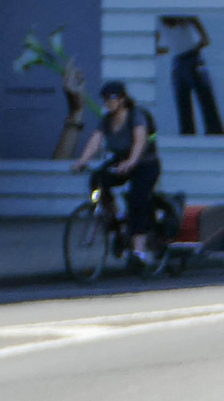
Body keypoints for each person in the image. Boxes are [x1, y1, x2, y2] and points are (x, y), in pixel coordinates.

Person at [72, 82, 164, 269]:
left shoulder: (135, 115)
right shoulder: (106, 120)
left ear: (122, 99)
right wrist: (82, 161)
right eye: (105, 99)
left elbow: (140, 141)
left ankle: (139, 252)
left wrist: (131, 162)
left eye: (112, 98)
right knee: (98, 180)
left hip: (145, 163)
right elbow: (95, 141)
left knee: (138, 201)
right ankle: (117, 221)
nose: (108, 102)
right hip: (121, 161)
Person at [156, 16, 224, 136]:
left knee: (186, 107)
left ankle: (193, 137)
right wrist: (204, 39)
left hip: (182, 60)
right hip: (189, 57)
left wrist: (164, 49)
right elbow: (196, 22)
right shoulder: (173, 17)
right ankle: (213, 135)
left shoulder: (163, 19)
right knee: (203, 102)